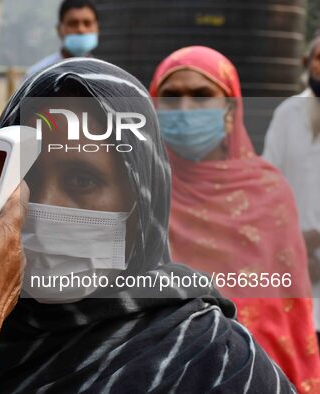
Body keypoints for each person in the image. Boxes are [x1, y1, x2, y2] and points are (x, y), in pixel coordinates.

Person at [0, 58, 294, 393]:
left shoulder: (214, 360)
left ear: (141, 205)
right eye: (26, 176)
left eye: (83, 181)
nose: (43, 206)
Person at [149, 46, 320, 392]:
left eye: (201, 97)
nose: (185, 109)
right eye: (171, 97)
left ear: (229, 109)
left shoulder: (269, 194)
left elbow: (289, 319)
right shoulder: (139, 190)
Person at [263, 36, 320, 346]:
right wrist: (295, 244)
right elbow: (267, 184)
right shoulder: (288, 113)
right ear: (308, 64)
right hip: (289, 262)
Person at [25, 0, 99, 78]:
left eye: (87, 23)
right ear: (59, 29)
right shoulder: (37, 75)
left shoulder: (105, 74)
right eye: (72, 23)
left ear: (97, 28)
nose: (81, 29)